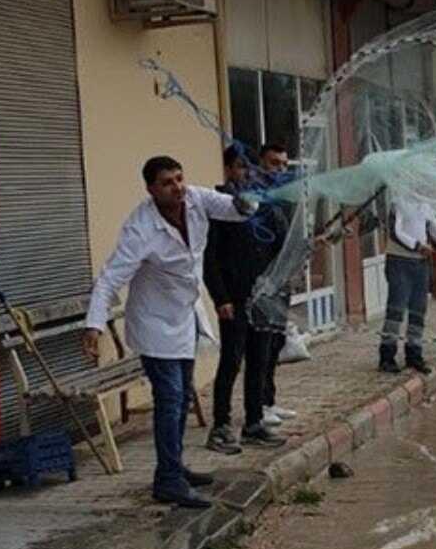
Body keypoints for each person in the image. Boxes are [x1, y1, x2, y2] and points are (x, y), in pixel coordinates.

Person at [83, 155, 256, 508]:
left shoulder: (196, 198)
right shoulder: (140, 229)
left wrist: (245, 202)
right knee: (171, 399)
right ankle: (168, 481)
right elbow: (109, 279)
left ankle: (175, 467)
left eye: (179, 178)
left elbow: (234, 209)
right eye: (167, 183)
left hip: (184, 315)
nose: (177, 187)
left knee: (181, 399)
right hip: (154, 323)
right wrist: (94, 325)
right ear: (150, 189)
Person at [202, 146, 288, 454]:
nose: (246, 173)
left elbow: (281, 246)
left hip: (262, 298)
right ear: (227, 169)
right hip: (234, 300)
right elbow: (209, 259)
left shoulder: (264, 207)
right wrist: (220, 297)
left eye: (249, 168)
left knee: (259, 361)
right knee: (231, 361)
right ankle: (221, 425)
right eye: (239, 167)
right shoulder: (219, 207)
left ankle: (253, 423)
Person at [379, 194, 436, 374]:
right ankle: (387, 356)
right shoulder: (398, 202)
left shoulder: (425, 205)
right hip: (399, 262)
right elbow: (395, 232)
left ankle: (414, 355)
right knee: (396, 309)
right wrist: (417, 246)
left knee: (418, 310)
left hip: (421, 264)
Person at [254, 143, 298, 424]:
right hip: (262, 287)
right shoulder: (257, 199)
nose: (280, 170)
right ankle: (257, 407)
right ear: (260, 163)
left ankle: (269, 401)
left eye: (284, 165)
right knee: (262, 347)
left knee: (276, 343)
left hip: (281, 283)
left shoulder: (284, 201)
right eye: (274, 164)